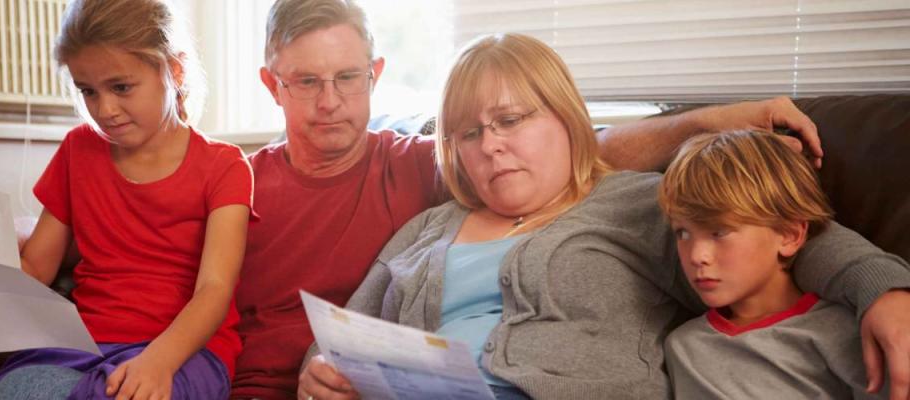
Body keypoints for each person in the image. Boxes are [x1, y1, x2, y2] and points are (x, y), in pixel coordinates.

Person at [231, 1, 858, 399]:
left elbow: (779, 238)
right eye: (471, 133)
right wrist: (321, 374)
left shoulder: (638, 205)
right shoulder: (425, 228)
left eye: (511, 121)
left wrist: (882, 291)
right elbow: (342, 338)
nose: (492, 147)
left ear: (565, 119)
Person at [0, 0, 254, 398]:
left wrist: (159, 361)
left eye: (121, 87)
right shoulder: (78, 149)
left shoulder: (225, 166)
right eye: (88, 91)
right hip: (78, 344)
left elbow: (214, 289)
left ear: (174, 70)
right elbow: (36, 266)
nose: (104, 109)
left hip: (182, 351)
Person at [659, 130, 886, 399]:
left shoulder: (842, 333)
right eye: (682, 233)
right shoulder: (682, 347)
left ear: (789, 235)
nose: (697, 255)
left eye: (719, 232)